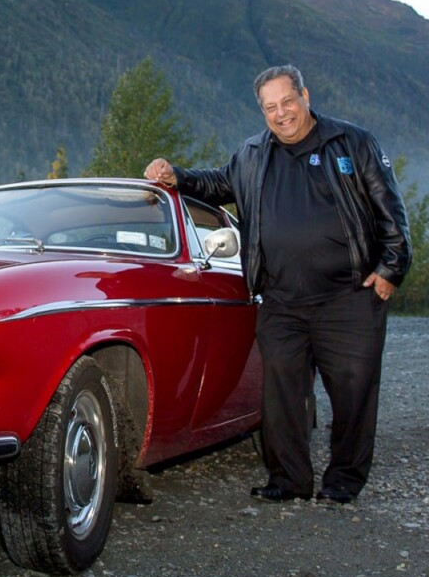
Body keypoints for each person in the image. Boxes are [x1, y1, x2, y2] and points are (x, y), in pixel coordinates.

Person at [145, 65, 411, 504]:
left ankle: (343, 482)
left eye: (287, 101)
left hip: (348, 298)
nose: (281, 113)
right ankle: (287, 480)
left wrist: (390, 271)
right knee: (282, 395)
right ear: (262, 110)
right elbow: (217, 183)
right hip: (282, 301)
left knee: (353, 395)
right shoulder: (251, 154)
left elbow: (390, 209)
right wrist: (175, 175)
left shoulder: (352, 142)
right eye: (270, 107)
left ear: (305, 95)